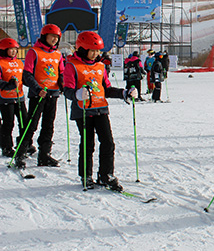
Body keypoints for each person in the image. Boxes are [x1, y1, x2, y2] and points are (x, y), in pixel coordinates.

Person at [63, 31, 138, 191]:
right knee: (88, 144)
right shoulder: (72, 66)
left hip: (101, 109)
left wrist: (124, 93)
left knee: (108, 143)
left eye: (98, 51)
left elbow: (106, 89)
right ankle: (86, 175)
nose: (96, 54)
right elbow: (67, 89)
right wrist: (77, 94)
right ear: (82, 49)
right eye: (92, 50)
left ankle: (106, 175)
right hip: (83, 111)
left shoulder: (100, 66)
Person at [20, 24, 65, 167]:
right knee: (31, 124)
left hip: (53, 93)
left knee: (48, 125)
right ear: (45, 36)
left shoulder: (58, 54)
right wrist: (37, 88)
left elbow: (61, 72)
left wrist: (63, 84)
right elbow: (27, 74)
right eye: (52, 36)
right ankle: (21, 152)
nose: (54, 40)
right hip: (38, 94)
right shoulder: (34, 52)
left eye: (57, 38)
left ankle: (44, 154)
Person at [0, 38, 28, 167]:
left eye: (15, 50)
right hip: (5, 98)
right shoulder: (1, 63)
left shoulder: (19, 63)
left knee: (24, 122)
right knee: (8, 123)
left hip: (19, 97)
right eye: (11, 49)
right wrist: (9, 85)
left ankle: (23, 144)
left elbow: (24, 78)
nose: (13, 52)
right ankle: (7, 146)